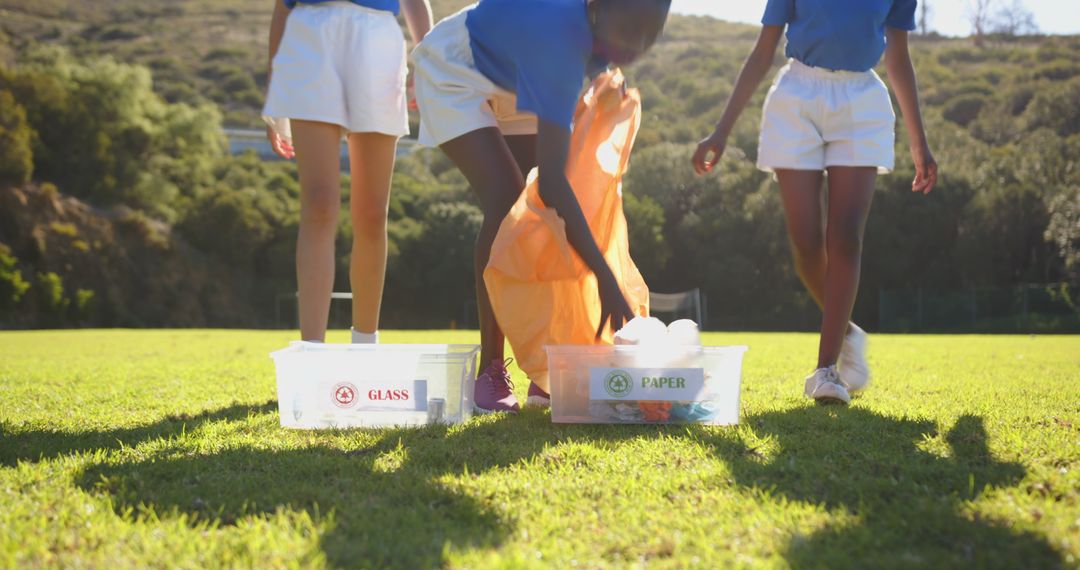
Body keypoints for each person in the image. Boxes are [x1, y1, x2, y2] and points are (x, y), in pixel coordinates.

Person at [412, 0, 670, 413]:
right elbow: (552, 185)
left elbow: (597, 57)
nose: (636, 46)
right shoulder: (559, 41)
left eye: (648, 37)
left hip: (517, 73)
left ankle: (545, 367)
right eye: (630, 31)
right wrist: (605, 278)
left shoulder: (591, 31)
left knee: (546, 220)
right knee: (507, 201)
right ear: (598, 7)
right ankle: (491, 368)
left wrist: (604, 74)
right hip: (456, 69)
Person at [691, 0, 938, 405]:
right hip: (796, 98)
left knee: (844, 237)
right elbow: (763, 50)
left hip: (862, 101)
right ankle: (848, 333)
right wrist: (721, 130)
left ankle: (827, 370)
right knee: (806, 244)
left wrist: (919, 142)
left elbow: (898, 57)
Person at [263, 0, 432, 343]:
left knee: (371, 213)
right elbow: (283, 6)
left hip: (376, 41)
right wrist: (273, 85)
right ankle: (312, 352)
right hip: (310, 36)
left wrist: (427, 62)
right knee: (319, 203)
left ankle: (364, 348)